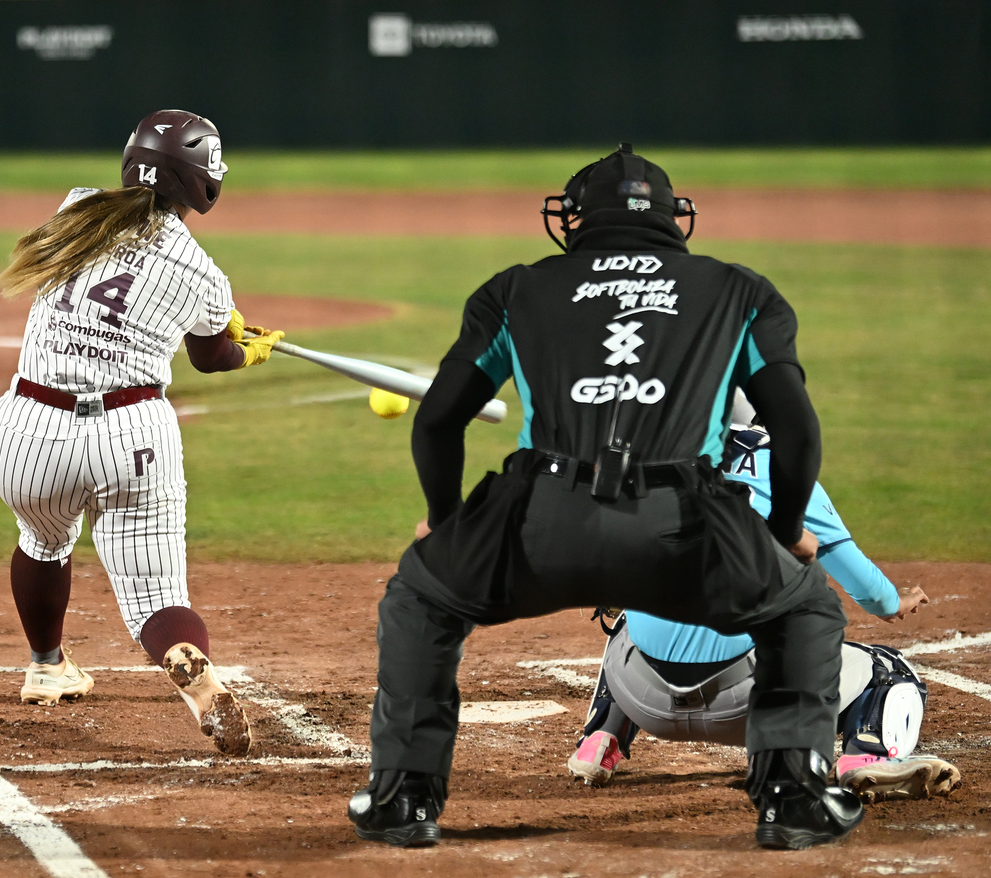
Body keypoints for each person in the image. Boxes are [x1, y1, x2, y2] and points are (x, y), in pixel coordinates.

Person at [347, 144, 864, 850]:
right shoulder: (741, 290)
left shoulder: (515, 289)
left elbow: (439, 420)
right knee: (801, 607)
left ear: (575, 220)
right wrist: (782, 531)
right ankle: (793, 796)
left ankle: (402, 797)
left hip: (540, 517)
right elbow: (797, 428)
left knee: (421, 595)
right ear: (674, 220)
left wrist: (443, 524)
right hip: (686, 524)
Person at [0, 109, 283, 758]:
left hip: (25, 435)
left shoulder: (77, 207)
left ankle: (45, 663)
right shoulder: (201, 273)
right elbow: (210, 357)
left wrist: (221, 323)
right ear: (200, 181)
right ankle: (188, 666)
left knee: (41, 538)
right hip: (130, 438)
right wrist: (244, 347)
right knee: (158, 598)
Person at [567, 392, 961, 804]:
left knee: (627, 621)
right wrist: (895, 602)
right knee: (888, 669)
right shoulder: (783, 471)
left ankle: (599, 740)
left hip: (642, 698)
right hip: (754, 705)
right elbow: (868, 591)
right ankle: (867, 757)